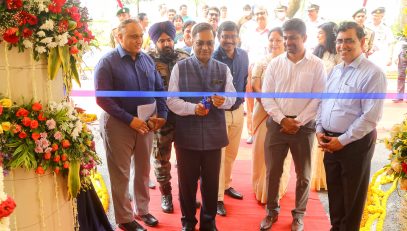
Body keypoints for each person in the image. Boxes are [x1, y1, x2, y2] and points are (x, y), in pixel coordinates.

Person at [95, 19, 167, 231]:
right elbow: (102, 98)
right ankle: (125, 219)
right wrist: (129, 120)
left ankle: (142, 210)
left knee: (143, 169)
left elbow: (159, 90)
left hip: (146, 123)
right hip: (118, 124)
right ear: (119, 37)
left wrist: (161, 115)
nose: (139, 40)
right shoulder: (107, 62)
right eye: (133, 36)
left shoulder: (146, 59)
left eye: (140, 35)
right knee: (121, 173)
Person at [316, 21, 387, 231]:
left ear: (362, 42)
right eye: (339, 41)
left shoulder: (373, 73)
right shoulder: (336, 70)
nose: (342, 46)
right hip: (329, 141)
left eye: (349, 41)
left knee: (352, 200)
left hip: (354, 143)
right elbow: (323, 103)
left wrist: (342, 140)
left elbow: (370, 117)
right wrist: (320, 130)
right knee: (335, 196)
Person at [167, 22, 236, 231]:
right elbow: (171, 100)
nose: (205, 48)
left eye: (209, 43)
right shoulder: (180, 67)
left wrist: (222, 101)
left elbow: (232, 99)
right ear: (191, 41)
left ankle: (209, 222)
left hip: (214, 137)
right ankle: (188, 222)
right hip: (187, 137)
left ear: (214, 43)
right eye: (200, 43)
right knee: (186, 184)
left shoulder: (223, 69)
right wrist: (192, 108)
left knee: (211, 184)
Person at [259, 18, 326, 231]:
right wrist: (283, 120)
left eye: (293, 38)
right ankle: (271, 212)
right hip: (277, 126)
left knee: (304, 175)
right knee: (273, 172)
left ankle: (299, 215)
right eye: (286, 38)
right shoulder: (275, 64)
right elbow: (267, 96)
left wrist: (298, 121)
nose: (288, 42)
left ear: (304, 38)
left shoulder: (317, 65)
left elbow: (318, 97)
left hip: (304, 127)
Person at [147, 21, 190, 214]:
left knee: (186, 158)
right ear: (155, 42)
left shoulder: (184, 57)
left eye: (169, 39)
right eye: (162, 40)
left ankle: (185, 194)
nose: (166, 44)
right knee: (161, 157)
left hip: (183, 118)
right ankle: (166, 194)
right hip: (161, 118)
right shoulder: (147, 59)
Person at [251, 27, 291, 204]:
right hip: (263, 112)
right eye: (271, 40)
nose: (274, 43)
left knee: (281, 154)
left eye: (278, 40)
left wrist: (280, 110)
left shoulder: (291, 62)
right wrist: (270, 105)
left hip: (285, 114)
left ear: (285, 41)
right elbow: (255, 87)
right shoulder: (261, 62)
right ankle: (261, 188)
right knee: (262, 150)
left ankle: (277, 189)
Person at [212, 21, 249, 216]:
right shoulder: (212, 56)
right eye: (224, 36)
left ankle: (226, 186)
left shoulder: (243, 55)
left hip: (238, 111)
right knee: (218, 156)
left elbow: (243, 81)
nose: (228, 40)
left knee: (232, 154)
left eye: (232, 35)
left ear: (237, 36)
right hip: (218, 114)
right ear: (219, 36)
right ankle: (217, 197)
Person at [311, 22, 341, 192]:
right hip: (317, 99)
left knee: (328, 134)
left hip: (332, 100)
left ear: (329, 35)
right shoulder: (318, 52)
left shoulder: (338, 55)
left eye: (321, 33)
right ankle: (318, 177)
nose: (318, 36)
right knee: (318, 133)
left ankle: (327, 179)